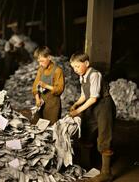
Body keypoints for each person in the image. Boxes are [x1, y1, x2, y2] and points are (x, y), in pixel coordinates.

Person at [69, 52, 116, 182]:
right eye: (73, 67)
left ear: (87, 63)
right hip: (91, 106)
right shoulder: (82, 76)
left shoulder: (95, 75)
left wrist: (78, 110)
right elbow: (85, 95)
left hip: (103, 106)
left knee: (104, 137)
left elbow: (94, 98)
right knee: (86, 132)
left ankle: (106, 173)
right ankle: (87, 165)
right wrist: (76, 103)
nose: (75, 70)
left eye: (77, 66)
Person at [32, 46, 64, 125]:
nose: (40, 64)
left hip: (53, 104)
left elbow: (60, 89)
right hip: (42, 101)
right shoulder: (40, 69)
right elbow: (35, 86)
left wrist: (46, 86)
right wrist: (37, 99)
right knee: (36, 125)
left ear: (49, 57)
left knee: (51, 126)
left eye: (42, 61)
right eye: (39, 61)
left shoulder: (57, 70)